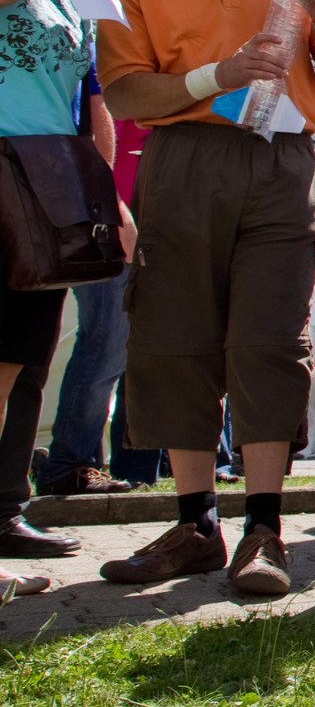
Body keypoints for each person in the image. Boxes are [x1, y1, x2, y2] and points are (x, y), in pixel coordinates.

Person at [97, 0, 315, 595]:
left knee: (269, 337)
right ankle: (194, 524)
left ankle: (264, 530)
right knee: (174, 335)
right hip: (183, 159)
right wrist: (220, 74)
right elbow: (125, 91)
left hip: (283, 163)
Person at [0, 0, 113, 596]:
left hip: (44, 189)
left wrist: (103, 197)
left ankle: (2, 516)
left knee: (16, 364)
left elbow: (85, 94)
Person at [40, 91, 141, 499]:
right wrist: (114, 208)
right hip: (105, 221)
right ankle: (69, 463)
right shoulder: (113, 73)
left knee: (113, 348)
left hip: (135, 217)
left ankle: (79, 461)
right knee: (105, 346)